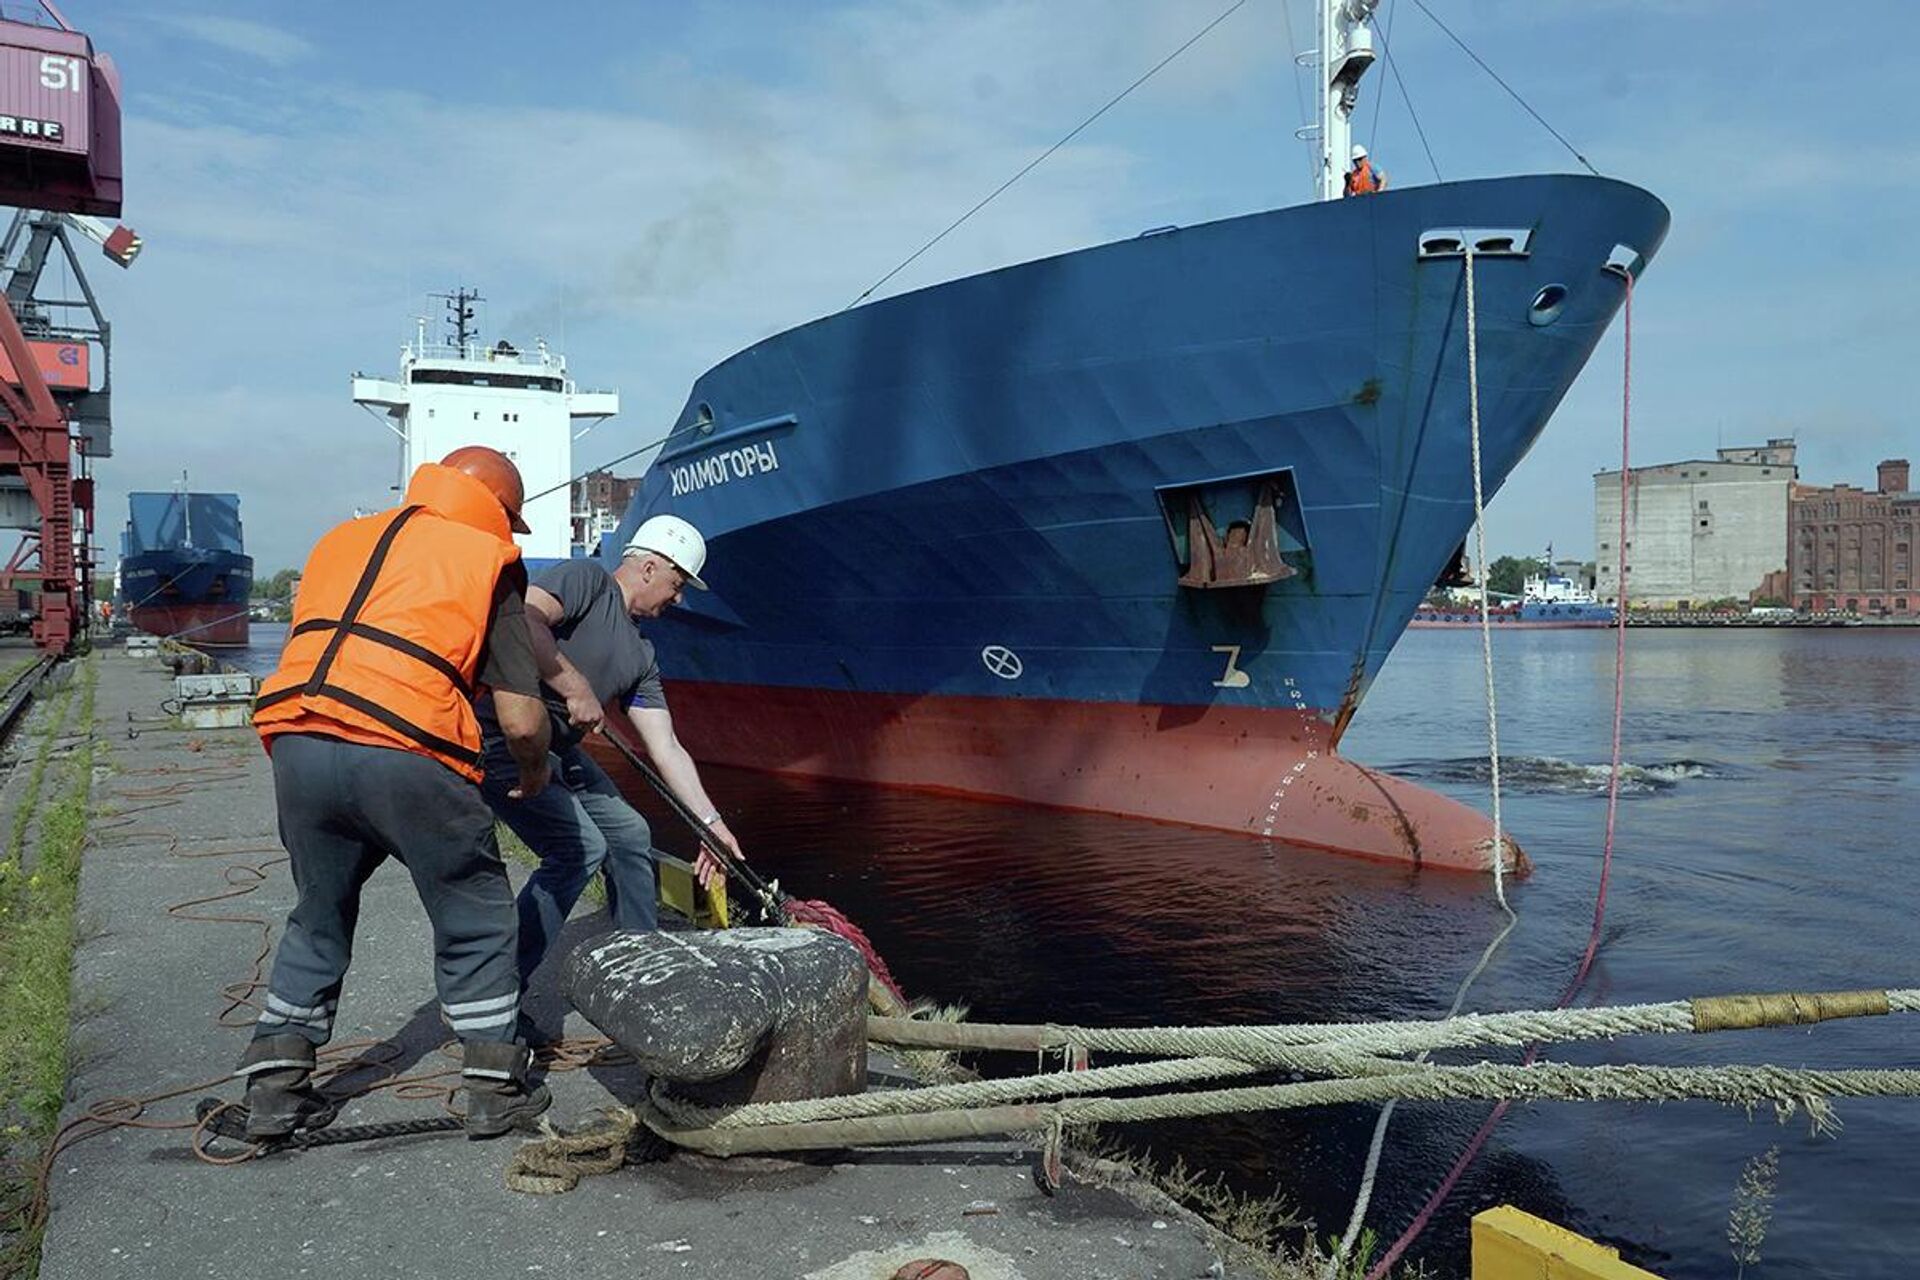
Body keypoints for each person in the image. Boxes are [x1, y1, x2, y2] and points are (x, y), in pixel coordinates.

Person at [239, 446, 555, 1141]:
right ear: (502, 512)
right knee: (474, 909)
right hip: (407, 751)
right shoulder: (487, 559)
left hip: (298, 740)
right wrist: (535, 772)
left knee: (318, 913)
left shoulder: (340, 540)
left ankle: (274, 1087)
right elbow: (522, 718)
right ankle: (496, 1089)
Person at [477, 514, 745, 996]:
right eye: (676, 582)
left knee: (629, 833)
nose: (678, 598)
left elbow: (666, 747)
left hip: (559, 749)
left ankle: (641, 971)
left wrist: (711, 823)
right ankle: (498, 990)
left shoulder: (642, 657)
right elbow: (524, 620)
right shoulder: (586, 581)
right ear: (648, 568)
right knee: (578, 851)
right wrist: (573, 684)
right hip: (503, 736)